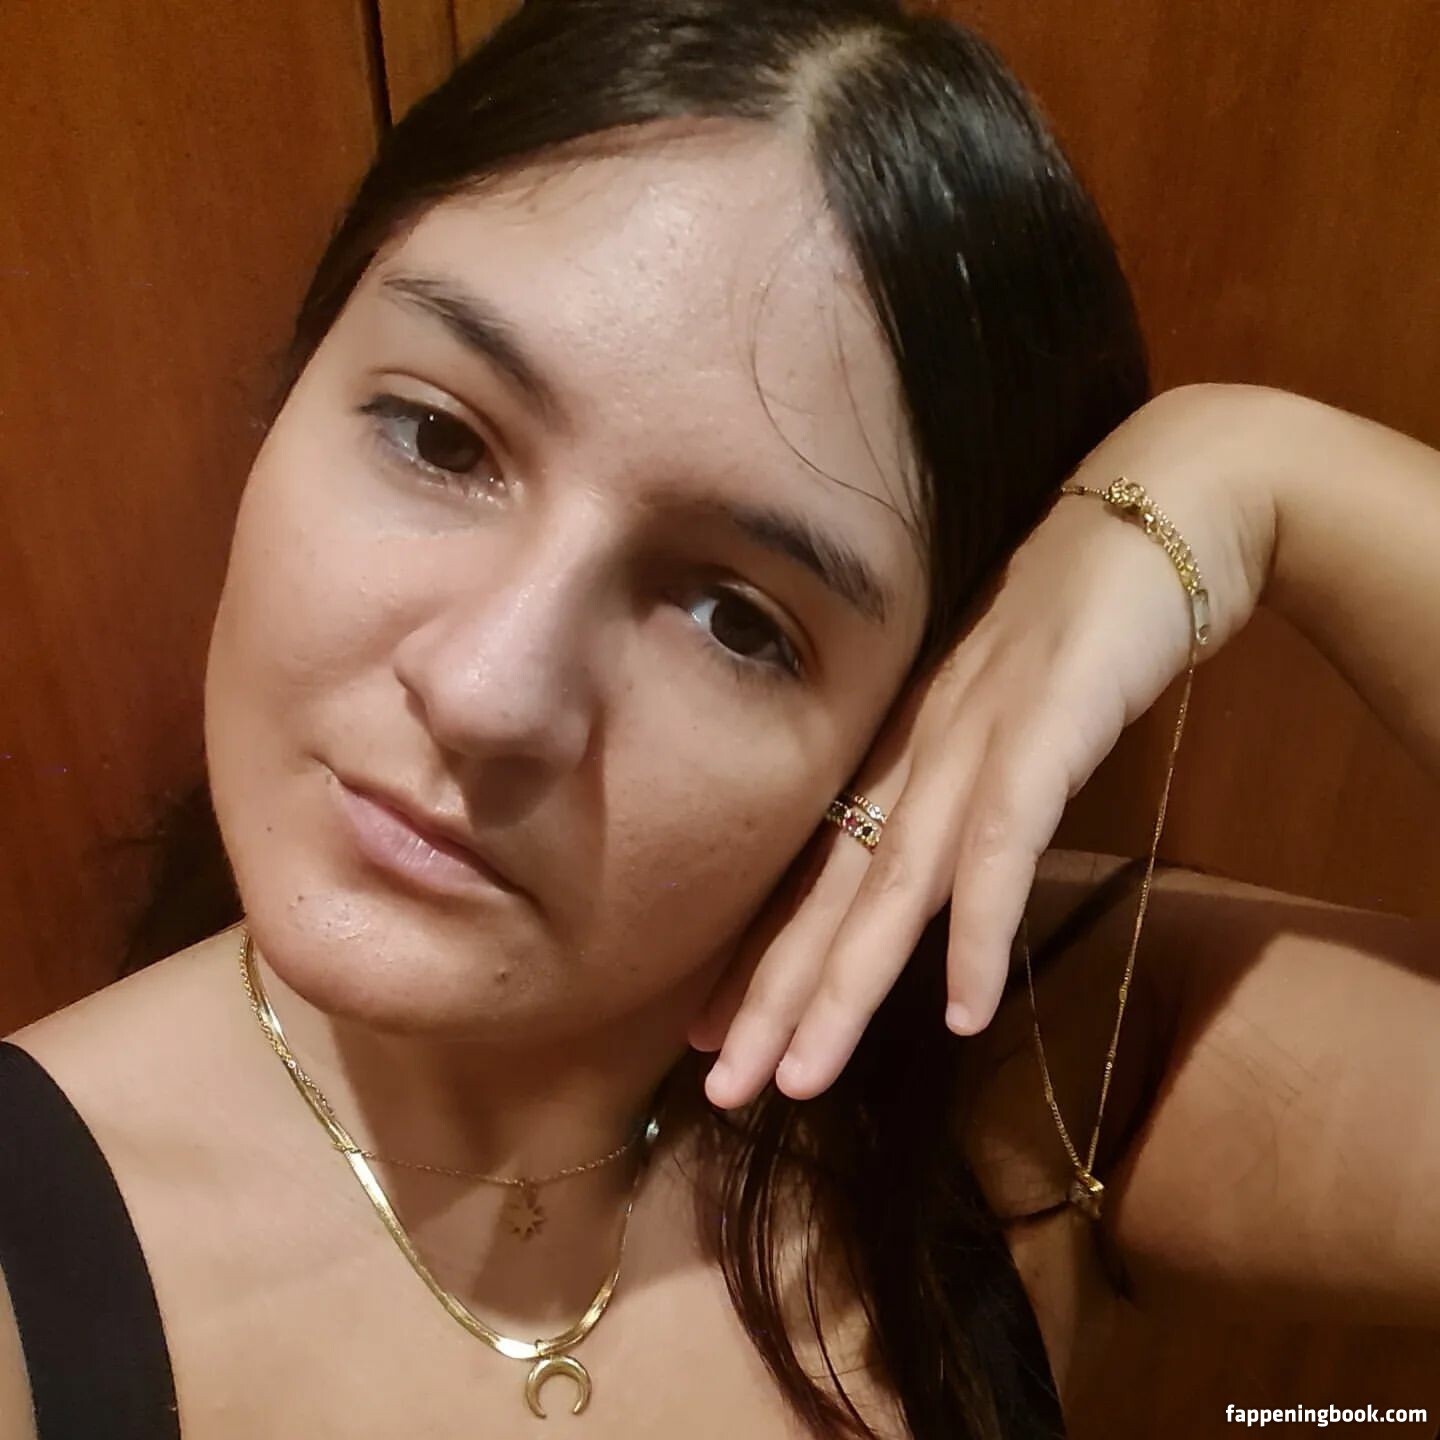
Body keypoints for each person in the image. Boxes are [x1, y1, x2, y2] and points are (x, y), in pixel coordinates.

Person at [2, 1, 1437, 1436]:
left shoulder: (1009, 1073)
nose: (490, 691)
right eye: (439, 438)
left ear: (916, 715)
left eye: (737, 620)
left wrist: (1259, 477)